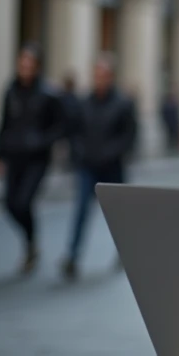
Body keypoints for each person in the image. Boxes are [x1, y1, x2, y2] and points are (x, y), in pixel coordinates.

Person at [0, 45, 67, 274]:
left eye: (29, 64)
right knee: (10, 205)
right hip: (14, 156)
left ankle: (31, 244)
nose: (24, 68)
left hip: (36, 159)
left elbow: (60, 126)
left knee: (24, 202)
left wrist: (41, 141)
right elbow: (4, 124)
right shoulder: (11, 91)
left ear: (37, 67)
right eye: (21, 63)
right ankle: (31, 242)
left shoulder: (48, 94)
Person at [63, 54, 138, 280]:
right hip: (88, 166)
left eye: (103, 75)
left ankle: (124, 253)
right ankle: (72, 256)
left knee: (117, 214)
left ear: (111, 77)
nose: (99, 79)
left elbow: (129, 137)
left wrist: (111, 152)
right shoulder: (84, 103)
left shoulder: (123, 104)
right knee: (81, 210)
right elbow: (74, 131)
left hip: (112, 167)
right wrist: (79, 152)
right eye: (96, 75)